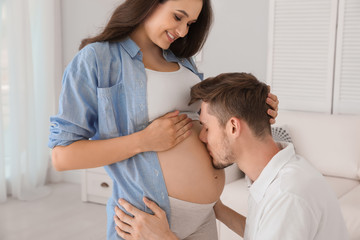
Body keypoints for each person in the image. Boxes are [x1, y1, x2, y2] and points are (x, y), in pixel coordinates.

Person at [48, 1, 279, 240]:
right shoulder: (97, 59)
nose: (183, 32)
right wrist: (143, 141)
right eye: (178, 17)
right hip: (149, 222)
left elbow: (212, 123)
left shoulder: (183, 60)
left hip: (205, 216)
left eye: (189, 23)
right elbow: (62, 156)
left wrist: (257, 112)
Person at [113, 72, 349, 240]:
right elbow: (263, 231)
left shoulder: (288, 196)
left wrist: (163, 238)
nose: (202, 137)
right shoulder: (277, 174)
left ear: (234, 127)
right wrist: (220, 210)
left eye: (206, 126)